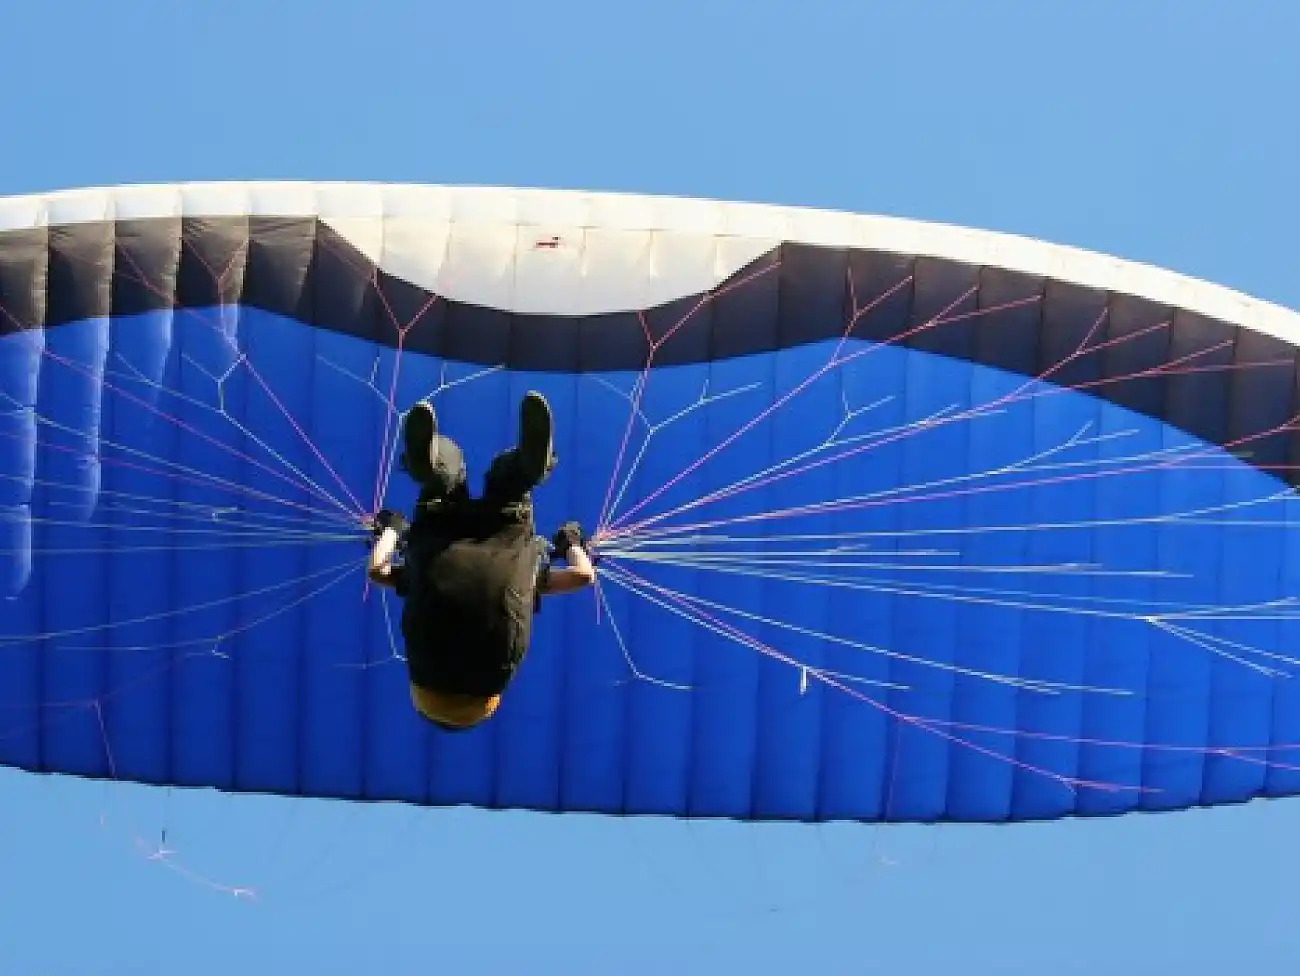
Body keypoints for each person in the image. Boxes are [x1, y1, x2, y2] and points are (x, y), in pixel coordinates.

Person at [366, 391, 595, 731]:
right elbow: (378, 571)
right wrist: (393, 531)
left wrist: (571, 542)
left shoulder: (503, 643)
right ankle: (429, 466)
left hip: (506, 538)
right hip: (438, 537)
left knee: (509, 486)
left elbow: (582, 576)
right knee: (444, 480)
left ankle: (528, 468)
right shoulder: (428, 644)